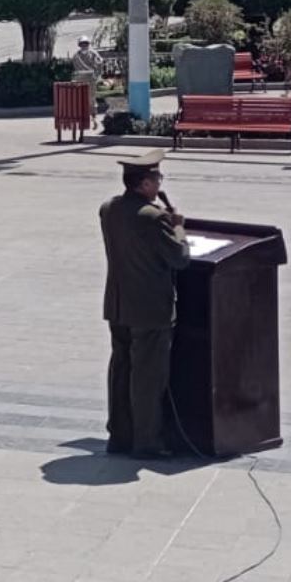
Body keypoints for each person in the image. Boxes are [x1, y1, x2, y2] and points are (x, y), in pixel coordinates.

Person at [100, 150, 191, 459]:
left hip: (118, 304)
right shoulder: (154, 218)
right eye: (156, 179)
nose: (159, 183)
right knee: (148, 377)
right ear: (143, 184)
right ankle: (147, 442)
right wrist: (178, 226)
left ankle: (119, 436)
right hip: (150, 309)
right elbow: (179, 258)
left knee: (121, 371)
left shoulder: (109, 209)